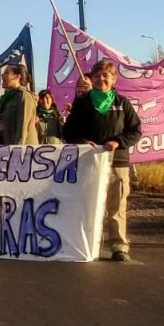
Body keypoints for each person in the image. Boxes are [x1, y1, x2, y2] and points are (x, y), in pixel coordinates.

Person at [63, 59, 142, 262]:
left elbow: (135, 131)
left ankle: (119, 246)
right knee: (89, 204)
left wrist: (118, 141)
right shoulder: (83, 102)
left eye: (105, 75)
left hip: (118, 163)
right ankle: (89, 243)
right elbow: (68, 131)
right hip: (90, 163)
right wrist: (83, 142)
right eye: (97, 76)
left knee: (116, 207)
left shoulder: (122, 103)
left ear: (113, 79)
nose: (101, 79)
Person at [0, 64, 39, 145]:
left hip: (23, 150)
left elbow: (23, 127)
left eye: (6, 72)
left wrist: (17, 151)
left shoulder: (24, 96)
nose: (3, 75)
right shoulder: (9, 98)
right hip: (9, 146)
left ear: (16, 77)